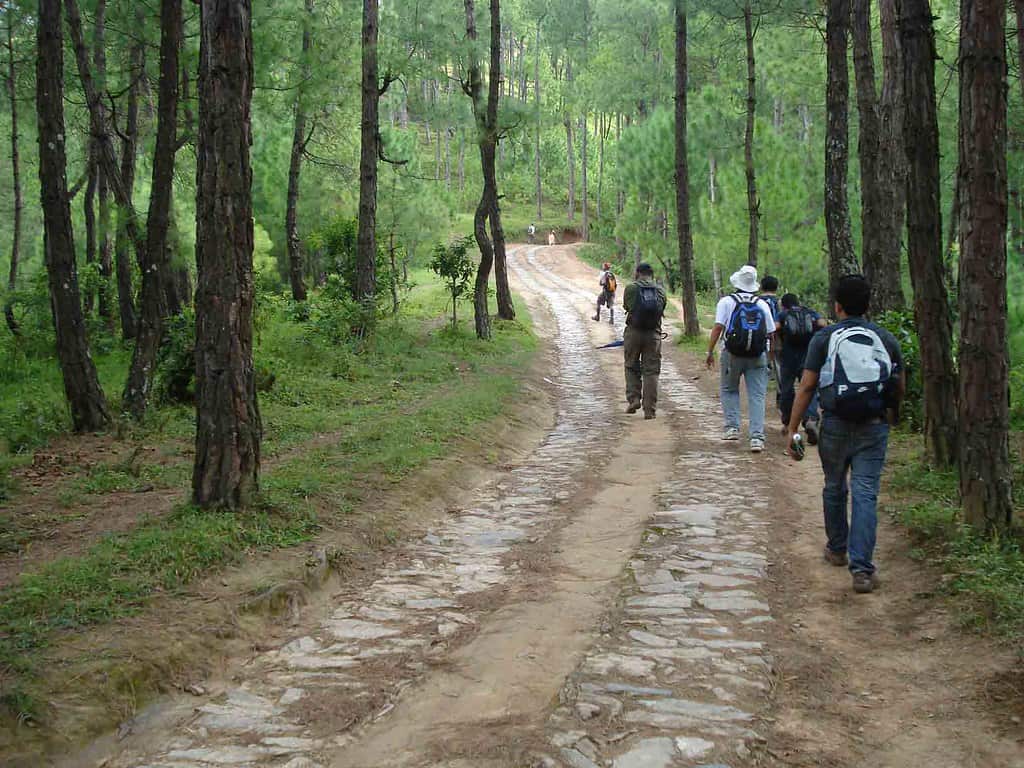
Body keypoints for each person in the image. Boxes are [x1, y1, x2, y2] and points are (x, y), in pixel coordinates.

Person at [787, 274, 905, 595]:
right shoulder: (886, 339)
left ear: (836, 305)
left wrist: (793, 427)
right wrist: (891, 416)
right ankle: (863, 571)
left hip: (836, 423)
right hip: (873, 424)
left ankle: (837, 549)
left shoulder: (824, 338)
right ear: (868, 305)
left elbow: (808, 386)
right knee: (865, 492)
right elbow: (899, 386)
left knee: (834, 485)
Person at [705, 265, 777, 453]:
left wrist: (710, 351)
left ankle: (732, 428)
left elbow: (718, 328)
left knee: (729, 389)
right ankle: (756, 438)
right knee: (757, 396)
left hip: (732, 354)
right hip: (757, 355)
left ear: (736, 282)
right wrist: (770, 358)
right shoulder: (762, 304)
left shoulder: (726, 302)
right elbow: (771, 334)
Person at [776, 293, 827, 443]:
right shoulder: (810, 312)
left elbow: (775, 327)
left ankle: (787, 421)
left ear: (784, 305)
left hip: (788, 357)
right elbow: (823, 324)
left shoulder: (783, 314)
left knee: (786, 389)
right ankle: (810, 419)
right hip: (808, 356)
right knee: (809, 388)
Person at [623, 263, 667, 419]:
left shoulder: (631, 288)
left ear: (637, 273)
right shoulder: (660, 290)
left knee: (631, 365)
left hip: (633, 333)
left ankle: (634, 399)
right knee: (651, 371)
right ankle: (650, 409)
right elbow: (662, 310)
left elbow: (627, 307)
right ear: (652, 274)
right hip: (653, 334)